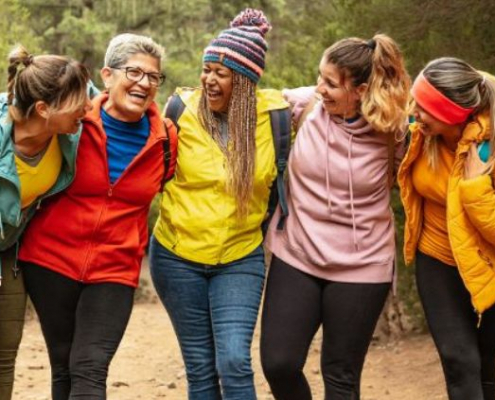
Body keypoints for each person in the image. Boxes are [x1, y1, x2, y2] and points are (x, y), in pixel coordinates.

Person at [18, 33, 177, 400]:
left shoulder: (166, 138)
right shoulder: (73, 121)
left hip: (115, 268)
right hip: (49, 260)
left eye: (153, 77)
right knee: (62, 366)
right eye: (134, 72)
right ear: (107, 75)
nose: (144, 83)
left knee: (90, 367)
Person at [149, 9, 290, 400]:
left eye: (221, 73)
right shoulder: (180, 111)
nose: (209, 79)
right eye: (206, 69)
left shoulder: (275, 116)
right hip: (177, 256)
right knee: (200, 369)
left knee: (233, 361)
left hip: (239, 256)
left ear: (244, 81)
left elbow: (330, 97)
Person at [260, 34, 411, 400]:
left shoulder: (394, 134)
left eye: (330, 83)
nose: (319, 88)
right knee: (279, 363)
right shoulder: (306, 107)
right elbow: (250, 102)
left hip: (363, 265)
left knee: (340, 375)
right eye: (319, 77)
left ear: (360, 90)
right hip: (297, 253)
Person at [397, 58, 495, 400]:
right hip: (437, 256)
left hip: (488, 265)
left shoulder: (490, 146)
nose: (414, 113)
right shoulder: (419, 134)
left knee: (490, 369)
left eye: (424, 108)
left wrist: (475, 189)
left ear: (452, 112)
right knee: (459, 362)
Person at [0, 46, 91, 400]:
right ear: (43, 109)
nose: (87, 107)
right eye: (78, 102)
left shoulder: (64, 127)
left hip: (9, 249)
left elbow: (111, 93)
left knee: (6, 352)